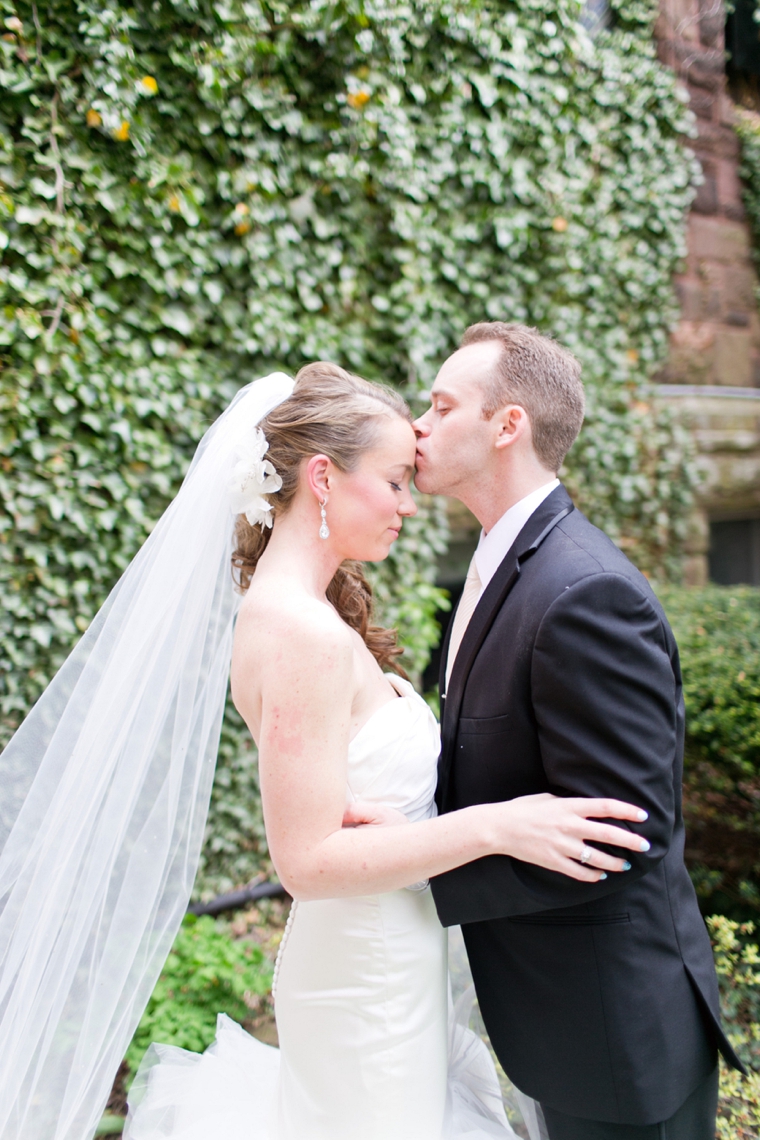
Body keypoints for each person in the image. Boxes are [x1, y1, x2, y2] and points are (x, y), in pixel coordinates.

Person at [121, 361, 649, 1140]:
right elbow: (304, 862)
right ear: (325, 478)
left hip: (393, 956)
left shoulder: (306, 611)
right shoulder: (300, 634)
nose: (410, 504)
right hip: (361, 977)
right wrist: (501, 827)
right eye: (396, 481)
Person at [413, 322, 744, 1140]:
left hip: (616, 1040)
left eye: (440, 404)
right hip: (557, 1022)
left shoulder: (584, 593)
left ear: (506, 425)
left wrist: (415, 879)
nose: (417, 423)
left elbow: (620, 836)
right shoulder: (504, 562)